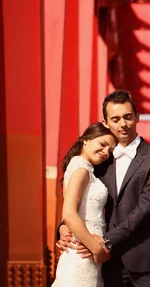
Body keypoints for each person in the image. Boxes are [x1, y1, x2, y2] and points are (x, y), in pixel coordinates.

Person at [56, 90, 150, 286]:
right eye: (115, 119)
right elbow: (80, 197)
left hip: (146, 262)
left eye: (128, 117)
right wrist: (64, 227)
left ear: (137, 117)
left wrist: (106, 241)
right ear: (106, 123)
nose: (123, 124)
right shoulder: (100, 160)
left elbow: (145, 208)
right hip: (108, 264)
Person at [52, 122, 117, 286]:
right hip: (83, 255)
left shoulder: (83, 168)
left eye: (110, 150)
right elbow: (69, 213)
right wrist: (97, 250)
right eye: (102, 144)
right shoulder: (81, 169)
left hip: (86, 255)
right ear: (86, 139)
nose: (105, 152)